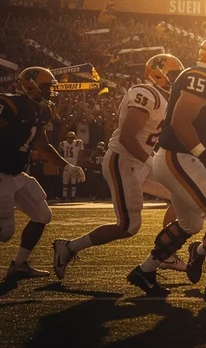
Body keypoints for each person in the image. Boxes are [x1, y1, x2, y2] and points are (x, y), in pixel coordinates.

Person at [128, 36, 206, 300]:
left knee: (190, 223)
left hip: (178, 156)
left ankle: (146, 270)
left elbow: (202, 129)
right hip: (180, 156)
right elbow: (181, 122)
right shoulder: (201, 77)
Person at [53, 55, 187, 280]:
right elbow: (127, 137)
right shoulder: (146, 93)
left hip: (141, 160)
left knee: (180, 196)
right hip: (123, 160)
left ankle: (166, 253)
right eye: (173, 75)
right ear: (158, 75)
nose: (177, 80)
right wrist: (152, 161)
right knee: (128, 227)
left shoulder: (167, 100)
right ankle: (69, 247)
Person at [1, 67, 85, 279]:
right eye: (46, 87)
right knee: (5, 231)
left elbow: (43, 146)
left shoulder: (42, 111)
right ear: (30, 85)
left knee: (42, 215)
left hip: (17, 174)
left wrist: (67, 166)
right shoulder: (9, 104)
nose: (50, 92)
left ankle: (19, 264)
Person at [58, 130, 83, 201]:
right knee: (65, 181)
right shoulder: (64, 143)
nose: (71, 139)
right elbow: (60, 153)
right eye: (70, 137)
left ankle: (72, 196)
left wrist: (79, 163)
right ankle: (65, 196)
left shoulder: (77, 143)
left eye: (72, 137)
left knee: (73, 181)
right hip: (67, 164)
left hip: (72, 164)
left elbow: (81, 154)